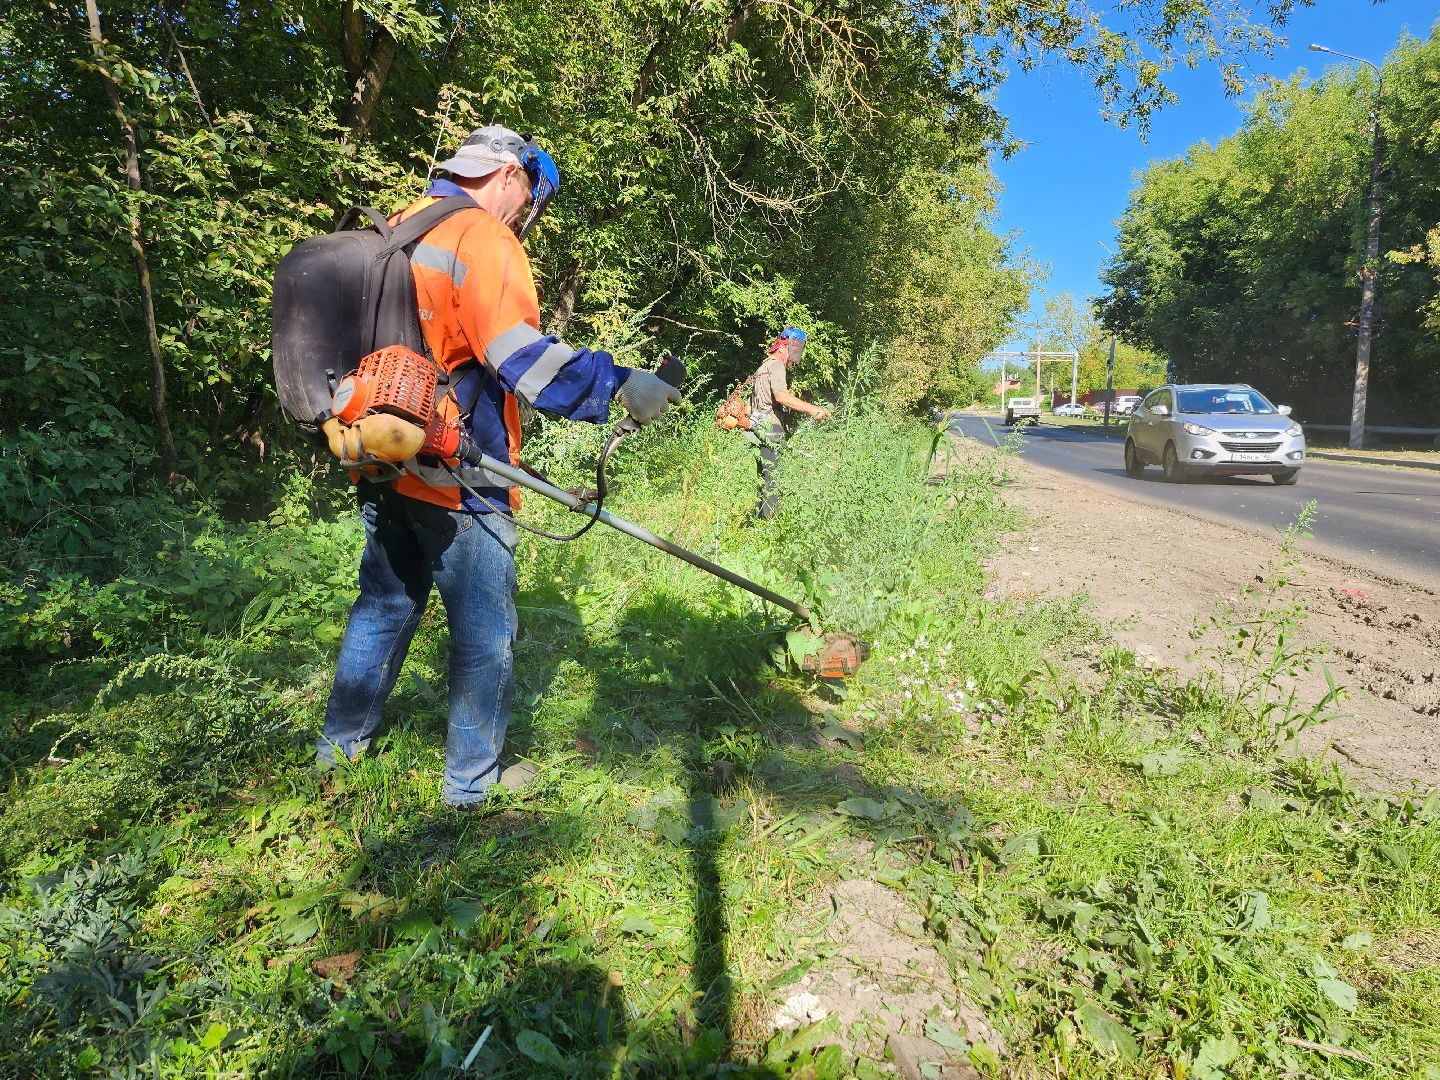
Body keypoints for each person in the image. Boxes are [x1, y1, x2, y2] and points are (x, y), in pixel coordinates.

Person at [315, 125, 682, 809]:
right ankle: (468, 791)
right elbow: (523, 360)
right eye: (530, 200)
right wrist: (620, 384)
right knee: (484, 635)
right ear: (510, 174)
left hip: (383, 459)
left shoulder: (397, 227)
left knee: (383, 606)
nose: (524, 217)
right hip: (464, 474)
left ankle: (337, 755)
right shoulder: (481, 238)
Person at [748, 327, 830, 518]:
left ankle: (760, 522)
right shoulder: (776, 366)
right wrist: (813, 409)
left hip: (758, 429)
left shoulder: (762, 367)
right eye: (795, 348)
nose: (795, 355)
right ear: (783, 347)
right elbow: (781, 396)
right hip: (771, 429)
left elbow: (749, 406)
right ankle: (771, 525)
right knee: (774, 481)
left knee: (764, 479)